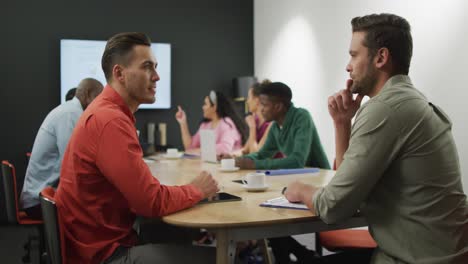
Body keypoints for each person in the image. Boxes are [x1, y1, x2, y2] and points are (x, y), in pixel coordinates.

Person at [284, 13, 468, 263]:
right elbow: (347, 188)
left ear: (380, 57)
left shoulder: (385, 109)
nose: (347, 66)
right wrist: (342, 124)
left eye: (353, 55)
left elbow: (333, 207)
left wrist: (300, 189)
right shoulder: (409, 101)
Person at [55, 32, 219, 264]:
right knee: (223, 258)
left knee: (180, 233)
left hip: (94, 241)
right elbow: (150, 202)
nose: (157, 77)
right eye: (147, 67)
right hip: (105, 254)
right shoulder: (110, 120)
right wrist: (197, 190)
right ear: (119, 73)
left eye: (156, 67)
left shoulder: (106, 112)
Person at [20, 78, 103, 219]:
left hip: (42, 196)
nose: (101, 106)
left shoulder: (69, 111)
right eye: (99, 99)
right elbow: (74, 161)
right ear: (88, 94)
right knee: (102, 206)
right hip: (41, 201)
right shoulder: (71, 115)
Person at [232, 82, 330, 170]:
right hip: (302, 176)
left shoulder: (302, 117)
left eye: (264, 105)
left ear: (278, 107)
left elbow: (297, 161)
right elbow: (262, 155)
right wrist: (238, 160)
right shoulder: (275, 126)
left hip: (321, 176)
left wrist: (255, 165)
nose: (261, 109)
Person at [175, 90, 248, 155]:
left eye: (205, 104)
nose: (203, 107)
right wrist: (183, 123)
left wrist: (199, 150)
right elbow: (190, 147)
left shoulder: (226, 123)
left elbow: (225, 148)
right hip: (213, 165)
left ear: (214, 107)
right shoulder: (205, 125)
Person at [241, 79, 273, 154]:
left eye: (249, 97)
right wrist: (230, 154)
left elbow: (255, 155)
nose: (247, 101)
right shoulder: (256, 120)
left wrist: (252, 128)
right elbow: (245, 150)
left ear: (257, 100)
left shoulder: (271, 124)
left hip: (275, 165)